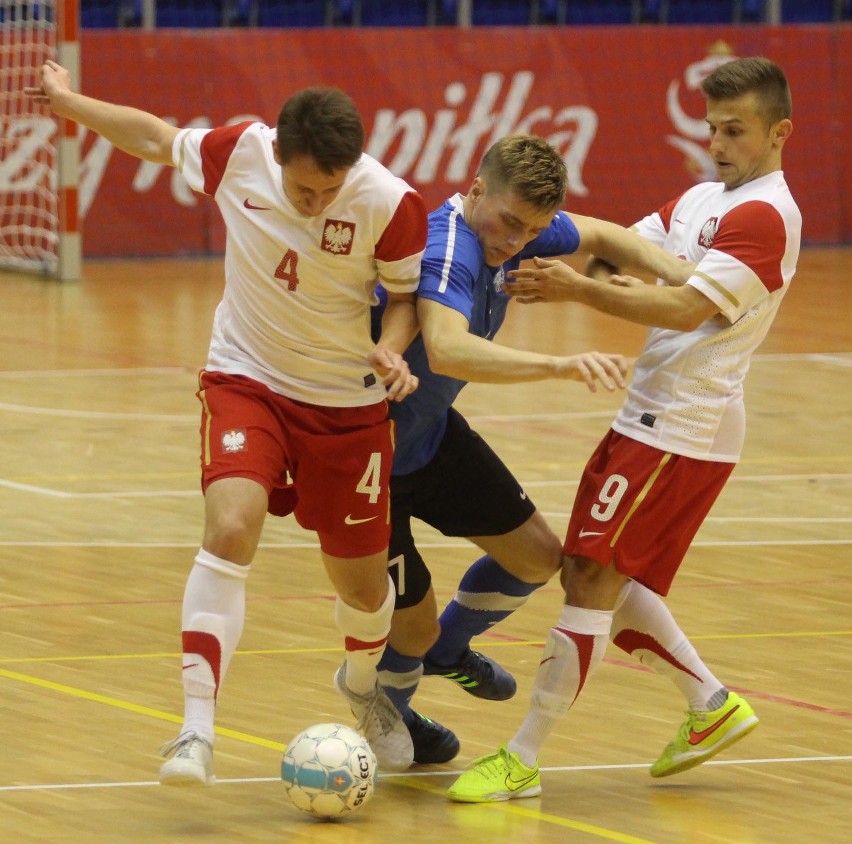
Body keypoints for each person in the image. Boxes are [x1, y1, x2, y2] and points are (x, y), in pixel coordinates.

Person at [25, 60, 429, 781]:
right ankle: (195, 731)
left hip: (346, 403)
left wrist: (393, 352)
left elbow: (403, 300)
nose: (317, 201)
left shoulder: (391, 203)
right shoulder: (239, 150)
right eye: (305, 188)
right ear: (278, 154)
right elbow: (152, 138)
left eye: (332, 189)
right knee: (232, 526)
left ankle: (362, 690)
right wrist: (64, 101)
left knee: (364, 591)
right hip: (249, 378)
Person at [446, 56, 799, 801]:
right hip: (651, 412)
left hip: (685, 423)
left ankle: (523, 756)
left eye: (736, 130)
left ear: (780, 132)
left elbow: (684, 308)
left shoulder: (768, 215)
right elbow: (616, 250)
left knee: (589, 577)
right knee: (599, 567)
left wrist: (578, 290)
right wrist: (574, 268)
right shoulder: (705, 196)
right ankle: (709, 705)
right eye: (712, 128)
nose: (719, 143)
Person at [370, 134, 694, 765]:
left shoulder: (516, 228)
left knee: (537, 558)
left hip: (428, 434)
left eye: (533, 230)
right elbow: (447, 349)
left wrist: (697, 283)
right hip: (364, 457)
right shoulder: (450, 250)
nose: (517, 242)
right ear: (474, 190)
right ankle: (391, 708)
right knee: (412, 616)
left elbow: (601, 236)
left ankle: (445, 651)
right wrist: (561, 363)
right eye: (510, 223)